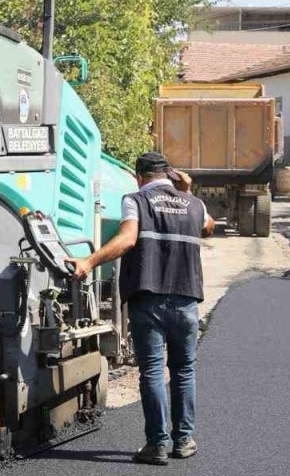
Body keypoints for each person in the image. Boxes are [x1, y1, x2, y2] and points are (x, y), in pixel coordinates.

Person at [67, 152, 215, 466]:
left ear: (139, 177)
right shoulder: (195, 204)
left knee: (152, 372)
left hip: (149, 300)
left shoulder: (136, 200)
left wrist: (89, 262)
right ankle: (183, 441)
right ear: (169, 175)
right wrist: (187, 191)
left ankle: (157, 445)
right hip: (187, 299)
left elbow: (127, 239)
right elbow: (208, 228)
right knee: (183, 371)